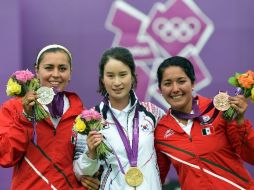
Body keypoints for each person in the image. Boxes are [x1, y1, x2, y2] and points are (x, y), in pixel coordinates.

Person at [0, 44, 99, 190]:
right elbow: (6, 157)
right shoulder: (14, 108)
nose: (56, 74)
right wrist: (26, 117)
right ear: (37, 71)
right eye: (49, 67)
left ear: (70, 73)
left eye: (62, 69)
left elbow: (86, 166)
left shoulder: (83, 117)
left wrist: (92, 181)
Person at [155, 56, 254, 190]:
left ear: (193, 83)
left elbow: (251, 156)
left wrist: (240, 121)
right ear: (160, 89)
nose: (175, 89)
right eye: (167, 83)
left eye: (181, 81)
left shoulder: (218, 110)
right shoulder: (161, 131)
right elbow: (155, 178)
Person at [73, 47, 165, 190]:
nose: (117, 82)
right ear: (102, 79)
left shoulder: (153, 113)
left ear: (133, 76)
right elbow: (81, 172)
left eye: (123, 75)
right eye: (110, 76)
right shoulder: (90, 120)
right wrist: (90, 153)